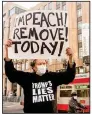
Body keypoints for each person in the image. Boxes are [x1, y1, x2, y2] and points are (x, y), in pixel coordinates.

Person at [4, 39, 76, 113]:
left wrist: (70, 58)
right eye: (39, 64)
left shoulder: (52, 77)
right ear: (34, 67)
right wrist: (8, 51)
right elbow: (11, 73)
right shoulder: (27, 78)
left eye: (44, 63)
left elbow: (69, 76)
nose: (42, 65)